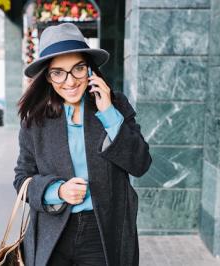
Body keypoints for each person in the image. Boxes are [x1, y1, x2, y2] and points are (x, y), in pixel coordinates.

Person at [14, 23, 152, 266]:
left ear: (90, 68)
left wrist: (108, 112)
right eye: (58, 72)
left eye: (78, 68)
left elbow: (140, 164)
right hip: (52, 233)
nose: (70, 81)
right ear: (47, 76)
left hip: (102, 232)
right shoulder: (35, 120)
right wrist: (56, 191)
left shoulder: (115, 105)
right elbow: (22, 178)